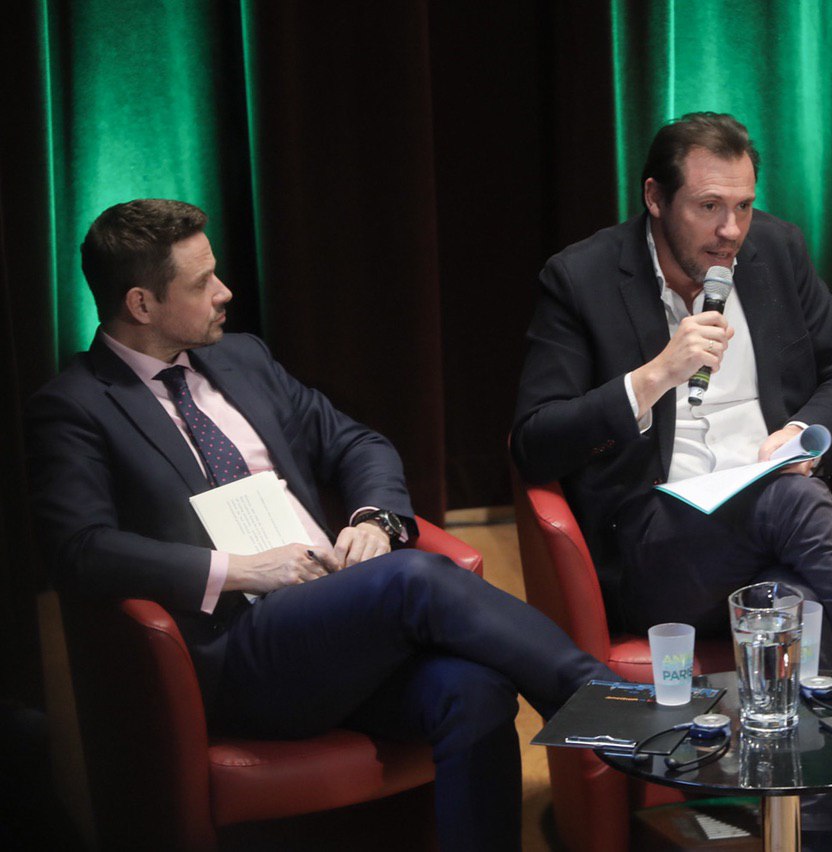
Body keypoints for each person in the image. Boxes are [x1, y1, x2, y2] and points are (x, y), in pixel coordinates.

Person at [25, 199, 617, 850]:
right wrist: (240, 570)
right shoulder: (76, 407)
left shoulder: (243, 360)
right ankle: (618, 715)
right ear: (140, 304)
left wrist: (374, 520)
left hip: (338, 621)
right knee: (413, 578)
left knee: (475, 691)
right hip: (237, 652)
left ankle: (608, 721)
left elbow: (356, 443)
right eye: (201, 283)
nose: (224, 292)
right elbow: (78, 549)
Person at [511, 111, 832, 769]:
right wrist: (651, 379)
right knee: (795, 504)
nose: (731, 230)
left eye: (742, 206)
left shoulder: (775, 250)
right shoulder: (581, 278)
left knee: (798, 599)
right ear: (655, 198)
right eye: (709, 207)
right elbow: (534, 440)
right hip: (657, 549)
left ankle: (809, 812)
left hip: (779, 531)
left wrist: (798, 432)